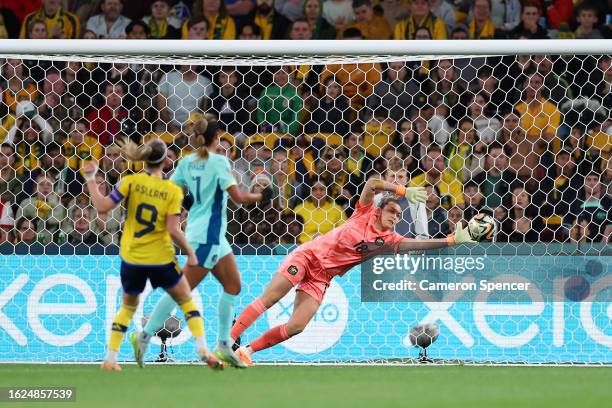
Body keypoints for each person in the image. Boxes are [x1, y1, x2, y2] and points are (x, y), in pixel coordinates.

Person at [229, 175, 475, 365]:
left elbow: (421, 245)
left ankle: (246, 351)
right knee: (271, 298)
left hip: (322, 277)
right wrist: (402, 190)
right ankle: (227, 343)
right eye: (392, 211)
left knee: (297, 326)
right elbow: (371, 183)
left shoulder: (389, 240)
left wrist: (451, 240)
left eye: (399, 215)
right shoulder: (364, 212)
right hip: (307, 256)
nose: (396, 217)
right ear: (379, 210)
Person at [133, 117, 269, 368]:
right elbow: (238, 197)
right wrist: (261, 195)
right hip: (208, 235)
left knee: (233, 285)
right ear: (217, 137)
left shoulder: (186, 163)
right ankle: (145, 335)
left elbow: (172, 192)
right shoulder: (220, 162)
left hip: (208, 234)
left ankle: (225, 344)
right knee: (183, 289)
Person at [83, 138, 224, 371]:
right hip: (161, 257)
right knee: (186, 301)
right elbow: (173, 229)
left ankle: (110, 359)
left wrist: (90, 179)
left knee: (128, 307)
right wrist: (191, 252)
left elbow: (102, 207)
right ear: (166, 160)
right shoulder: (172, 190)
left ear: (145, 158)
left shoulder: (130, 181)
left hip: (133, 257)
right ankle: (202, 350)